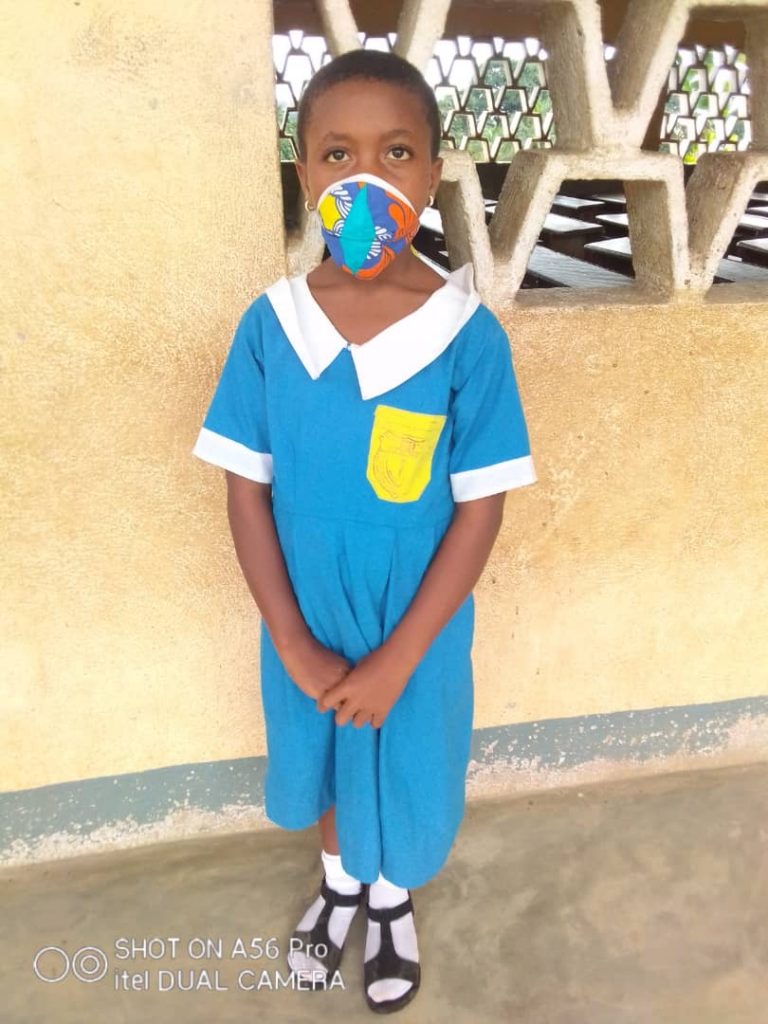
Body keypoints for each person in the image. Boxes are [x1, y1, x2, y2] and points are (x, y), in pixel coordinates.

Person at [192, 47, 537, 1015]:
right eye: (338, 154)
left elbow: (481, 505)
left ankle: (391, 902)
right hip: (305, 613)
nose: (367, 178)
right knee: (327, 756)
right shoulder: (273, 326)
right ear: (306, 171)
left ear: (433, 173)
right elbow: (246, 491)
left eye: (397, 152)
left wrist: (401, 656)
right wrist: (291, 638)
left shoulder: (466, 337)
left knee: (406, 758)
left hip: (416, 622)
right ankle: (342, 886)